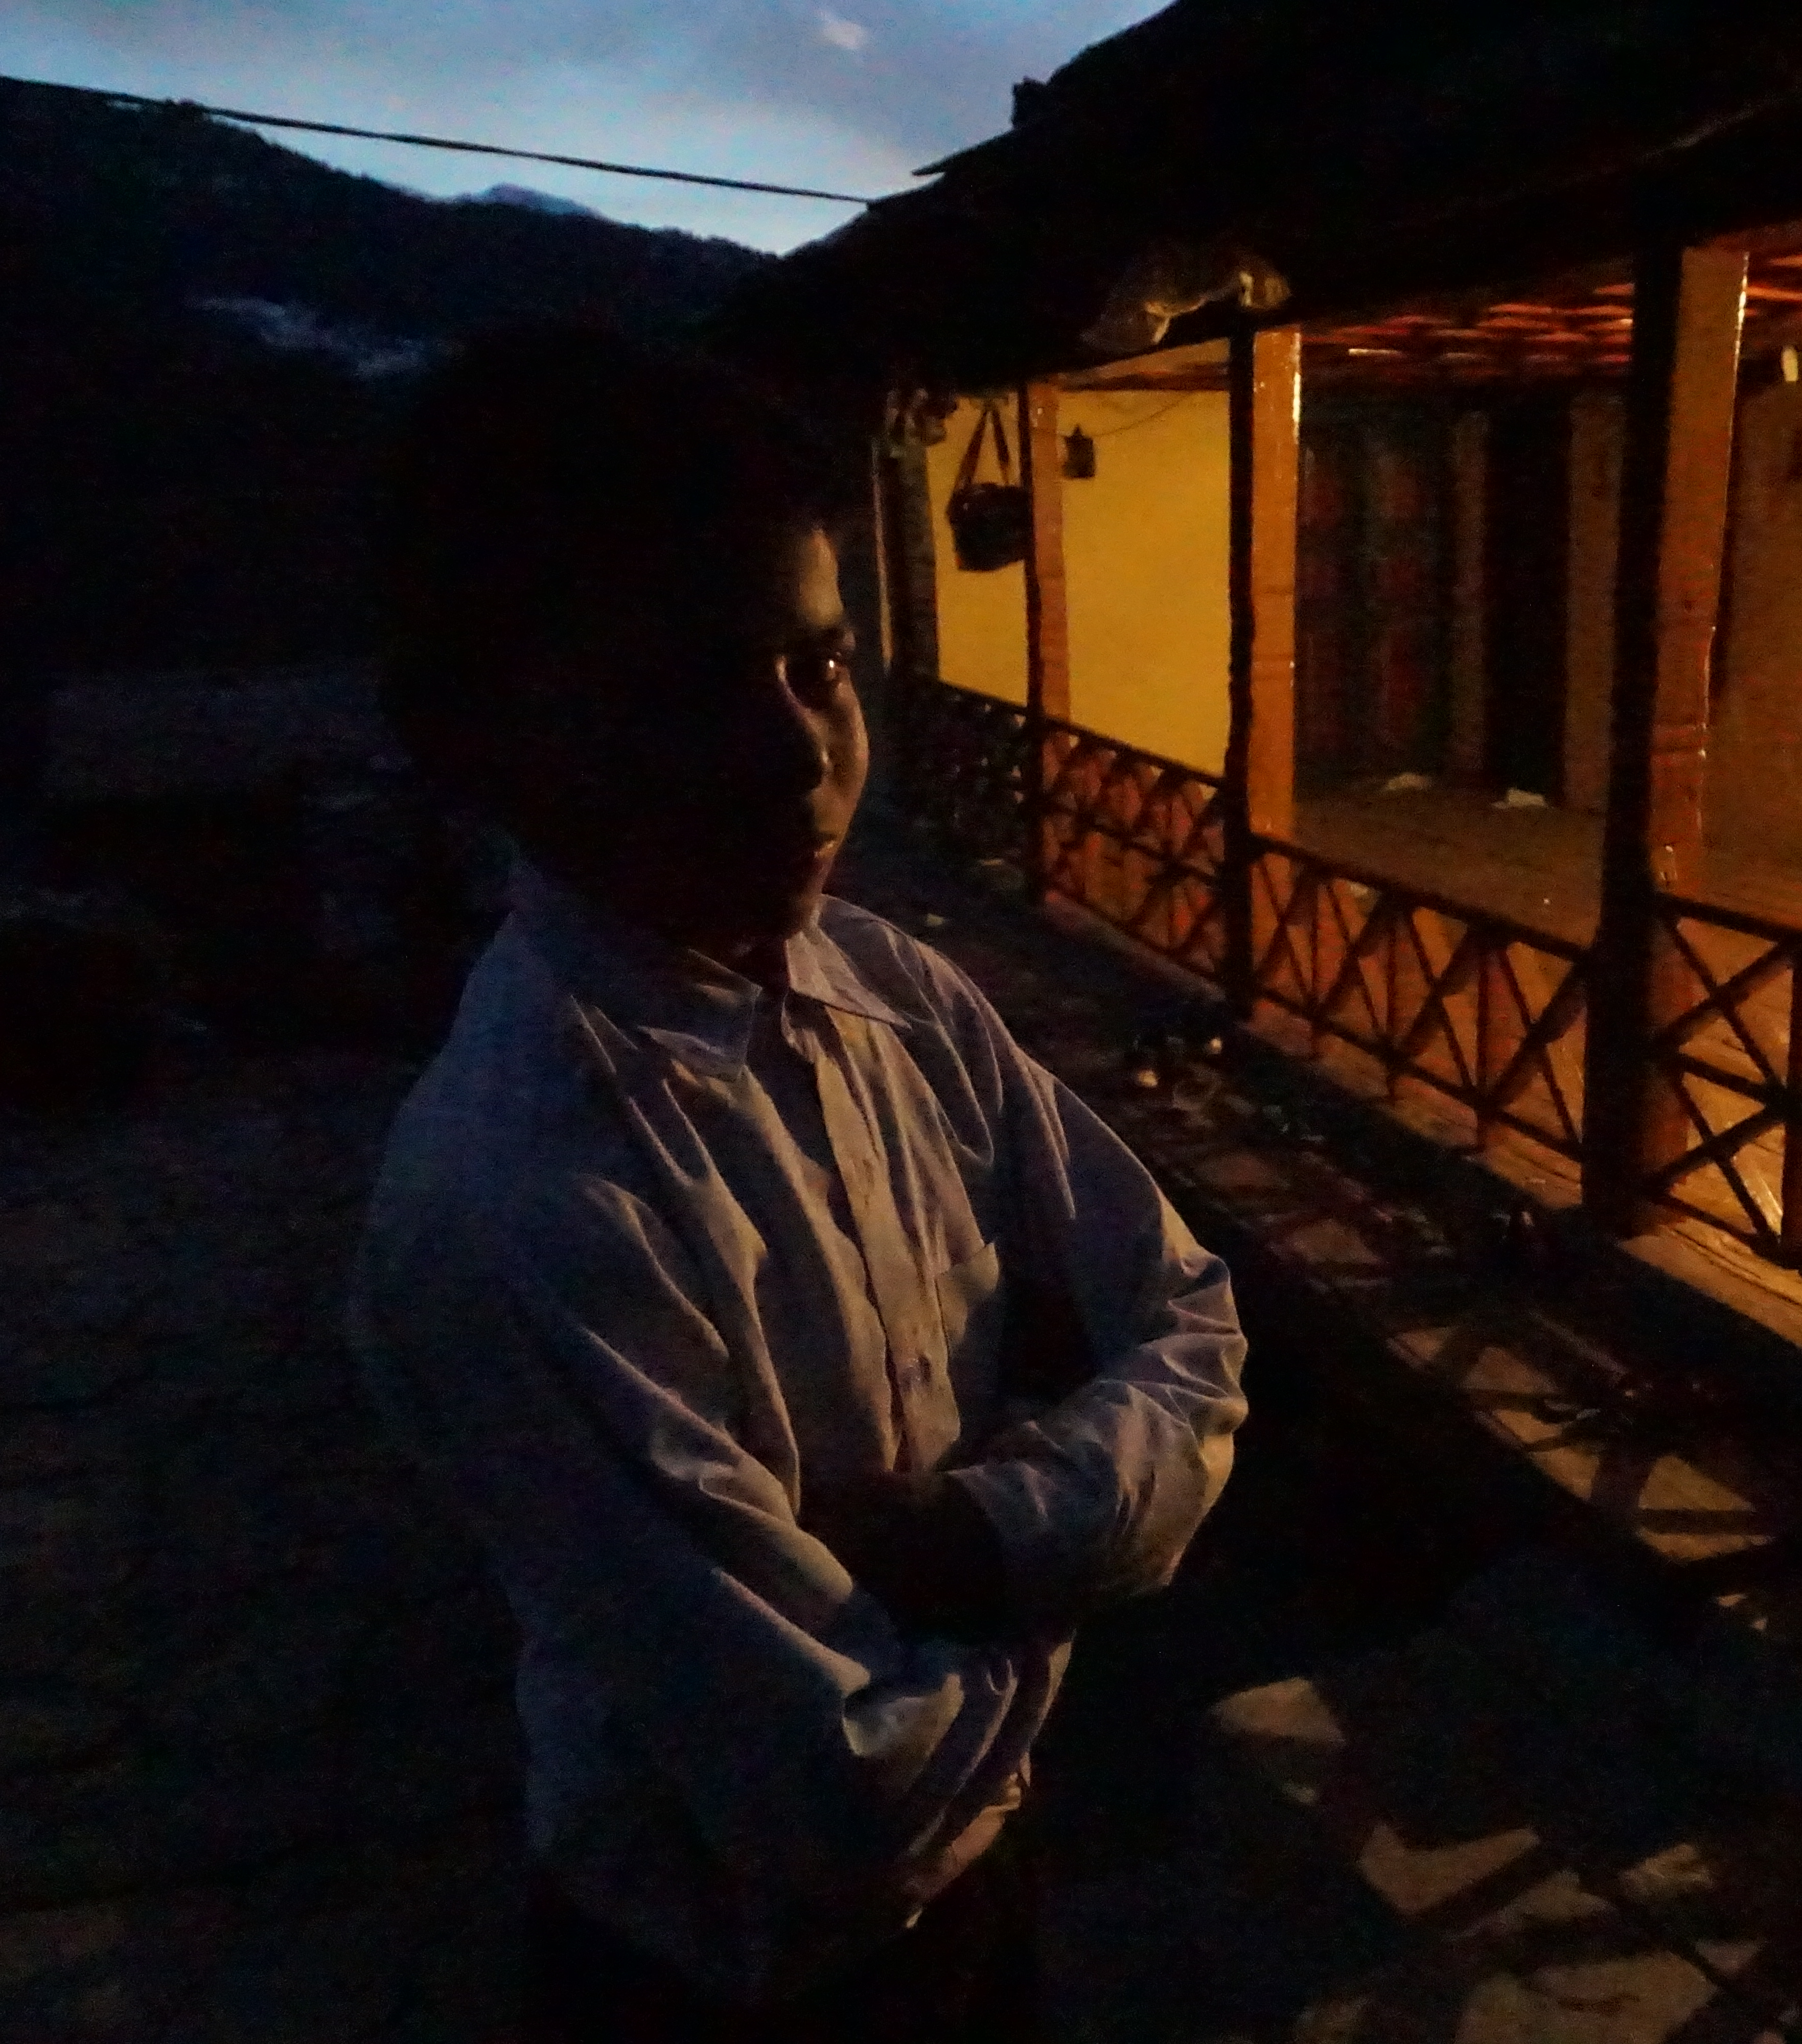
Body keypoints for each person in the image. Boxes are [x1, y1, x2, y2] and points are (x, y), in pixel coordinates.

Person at [344, 324, 1249, 2041]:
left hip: (990, 1889)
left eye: (820, 667)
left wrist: (978, 1537)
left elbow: (1195, 1322)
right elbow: (844, 1798)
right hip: (723, 1983)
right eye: (678, 693)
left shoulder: (894, 992)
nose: (797, 758)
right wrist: (1099, 1519)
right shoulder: (520, 1204)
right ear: (470, 740)